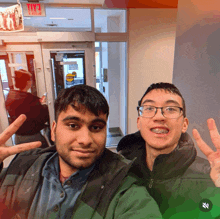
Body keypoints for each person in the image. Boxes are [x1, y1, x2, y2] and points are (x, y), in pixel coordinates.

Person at [0, 84, 162, 219]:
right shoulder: (23, 167)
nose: (85, 139)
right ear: (54, 130)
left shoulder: (123, 189)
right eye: (73, 125)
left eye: (96, 127)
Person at [117, 82, 219, 218]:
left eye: (170, 109)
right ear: (139, 122)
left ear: (184, 124)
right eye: (149, 108)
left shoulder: (208, 177)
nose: (159, 117)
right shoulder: (120, 169)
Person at [5, 69, 50, 148]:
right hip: (32, 137)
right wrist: (43, 105)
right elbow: (43, 117)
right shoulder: (30, 99)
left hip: (18, 137)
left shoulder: (10, 96)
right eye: (30, 80)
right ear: (28, 82)